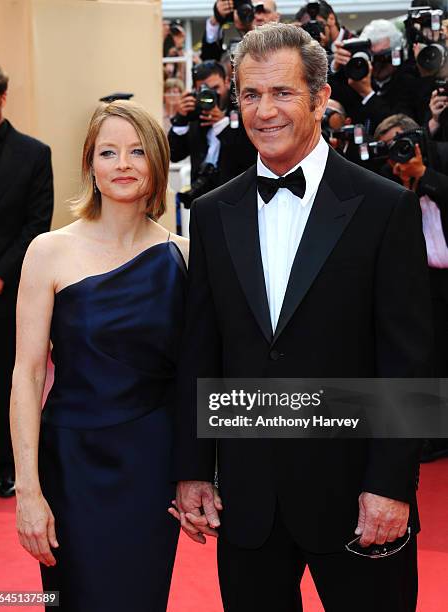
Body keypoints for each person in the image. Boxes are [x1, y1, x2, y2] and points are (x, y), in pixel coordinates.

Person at [170, 23, 432, 612]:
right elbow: (200, 347)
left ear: (319, 97)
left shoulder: (384, 205)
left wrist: (390, 485)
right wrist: (192, 470)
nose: (264, 111)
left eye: (282, 93)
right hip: (249, 498)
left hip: (357, 496)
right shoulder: (212, 213)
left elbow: (406, 356)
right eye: (249, 94)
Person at [10, 100, 187, 611]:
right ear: (90, 164)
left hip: (152, 468)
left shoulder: (184, 256)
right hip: (72, 465)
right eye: (108, 152)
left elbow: (194, 373)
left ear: (156, 161)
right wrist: (28, 491)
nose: (123, 164)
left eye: (136, 151)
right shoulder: (48, 251)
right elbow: (26, 374)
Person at [0, 60, 53, 498]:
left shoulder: (33, 154)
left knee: (10, 381)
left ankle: (9, 468)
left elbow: (36, 224)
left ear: (2, 97)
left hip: (7, 289)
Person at [374, 114, 448, 462]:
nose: (402, 150)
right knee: (424, 359)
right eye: (392, 146)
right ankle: (429, 437)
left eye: (404, 140)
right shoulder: (384, 183)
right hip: (422, 282)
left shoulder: (442, 157)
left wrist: (423, 175)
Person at [169, 60, 256, 206]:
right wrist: (180, 120)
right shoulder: (194, 113)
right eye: (204, 90)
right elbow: (175, 154)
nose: (211, 95)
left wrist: (222, 124)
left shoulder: (243, 109)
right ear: (195, 90)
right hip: (203, 200)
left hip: (238, 199)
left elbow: (248, 157)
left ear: (227, 82)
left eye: (216, 87)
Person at [330, 19, 419, 134]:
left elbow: (400, 127)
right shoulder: (354, 76)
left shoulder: (408, 80)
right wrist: (335, 68)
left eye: (382, 58)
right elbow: (329, 96)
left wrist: (367, 94)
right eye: (371, 57)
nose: (376, 65)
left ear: (397, 55)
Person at [201, 0, 280, 62]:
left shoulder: (287, 42)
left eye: (265, 12)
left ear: (276, 17)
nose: (259, 17)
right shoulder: (236, 48)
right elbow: (210, 60)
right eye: (253, 11)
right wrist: (216, 19)